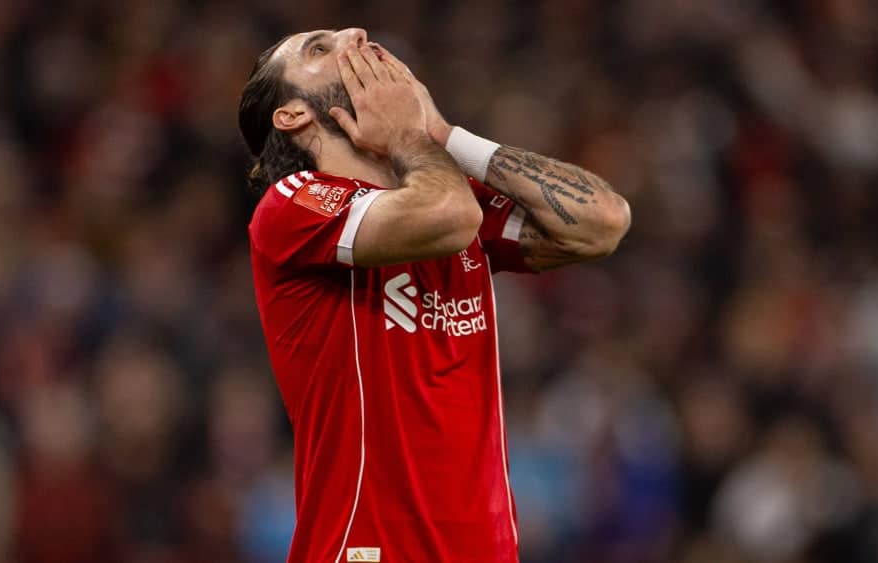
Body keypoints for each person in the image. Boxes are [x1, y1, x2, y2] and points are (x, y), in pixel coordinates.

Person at [238, 28, 630, 563]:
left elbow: (601, 222)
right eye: (319, 49)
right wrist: (409, 136)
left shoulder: (445, 192)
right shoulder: (292, 205)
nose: (356, 34)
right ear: (292, 115)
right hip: (370, 548)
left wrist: (445, 134)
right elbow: (449, 216)